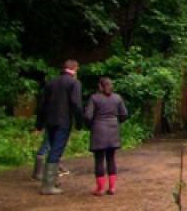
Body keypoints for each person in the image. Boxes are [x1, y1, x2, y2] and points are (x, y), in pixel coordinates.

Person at [35, 59, 84, 195]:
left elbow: (42, 105)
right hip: (63, 121)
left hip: (49, 121)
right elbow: (76, 104)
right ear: (74, 69)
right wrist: (79, 123)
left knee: (52, 148)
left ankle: (52, 180)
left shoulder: (51, 82)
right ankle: (48, 186)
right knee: (56, 150)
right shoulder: (74, 83)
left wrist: (39, 124)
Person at [85, 77, 128, 196]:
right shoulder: (117, 98)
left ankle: (100, 189)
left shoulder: (94, 98)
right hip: (113, 130)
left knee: (99, 160)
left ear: (100, 86)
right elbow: (124, 114)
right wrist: (116, 122)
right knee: (111, 158)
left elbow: (88, 116)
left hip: (98, 130)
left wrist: (90, 126)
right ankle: (112, 187)